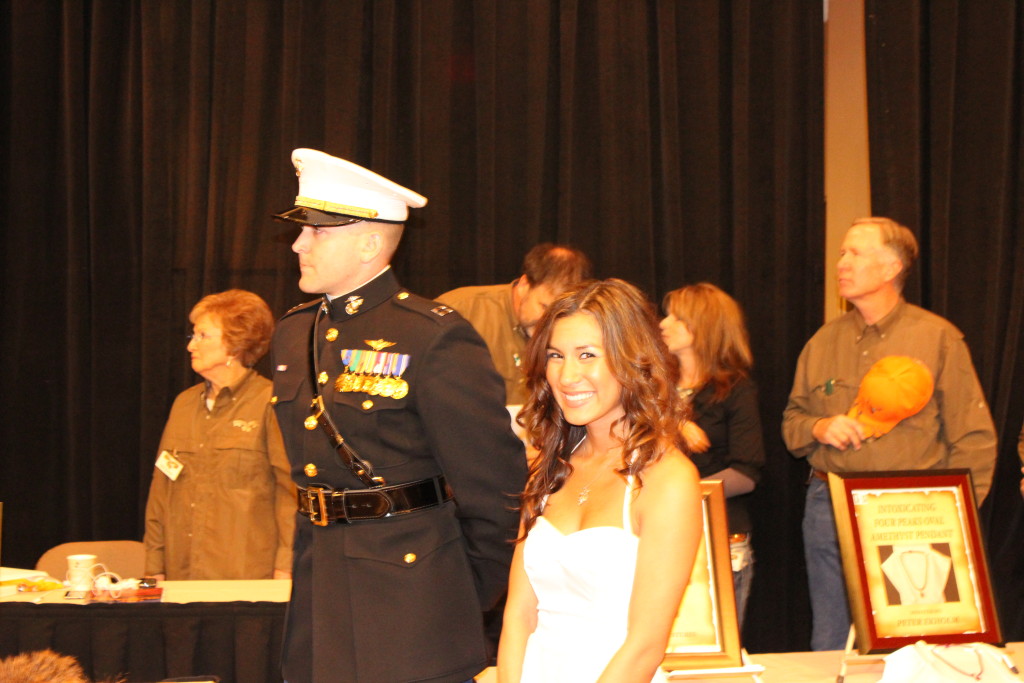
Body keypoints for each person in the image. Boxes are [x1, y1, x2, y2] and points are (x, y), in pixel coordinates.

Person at [270, 148, 527, 683]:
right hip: (318, 588)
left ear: (368, 242)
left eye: (318, 231)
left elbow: (497, 494)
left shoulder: (430, 335)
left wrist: (451, 595)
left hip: (411, 601)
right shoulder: (295, 332)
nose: (299, 243)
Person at [782, 217, 997, 651]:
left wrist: (951, 516)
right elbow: (792, 421)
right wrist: (819, 427)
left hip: (911, 510)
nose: (841, 263)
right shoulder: (822, 341)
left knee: (914, 641)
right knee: (831, 637)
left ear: (891, 267)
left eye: (855, 253)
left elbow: (974, 439)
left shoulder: (938, 338)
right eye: (841, 253)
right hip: (831, 502)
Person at [498, 279, 703, 683]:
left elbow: (645, 644)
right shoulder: (548, 467)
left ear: (633, 360)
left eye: (587, 355)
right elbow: (518, 615)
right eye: (556, 356)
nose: (567, 375)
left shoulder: (668, 479)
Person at [144, 289, 294, 581]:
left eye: (203, 336)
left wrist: (286, 567)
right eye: (193, 336)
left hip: (246, 577)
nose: (191, 346)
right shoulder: (183, 404)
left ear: (235, 345)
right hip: (180, 576)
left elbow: (290, 494)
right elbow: (161, 489)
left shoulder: (270, 403)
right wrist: (154, 566)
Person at [660, 282, 764, 630]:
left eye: (676, 317)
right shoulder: (655, 388)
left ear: (702, 326)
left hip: (720, 537)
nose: (663, 323)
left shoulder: (735, 390)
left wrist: (681, 493)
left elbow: (746, 474)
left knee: (716, 648)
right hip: (659, 534)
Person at [437, 243, 593, 405]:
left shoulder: (576, 324)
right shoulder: (462, 309)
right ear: (524, 285)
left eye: (558, 313)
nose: (548, 321)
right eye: (544, 306)